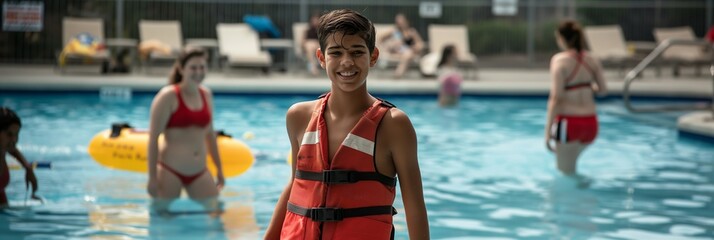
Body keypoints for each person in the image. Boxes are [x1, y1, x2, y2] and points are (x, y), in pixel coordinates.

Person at [264, 9, 430, 240]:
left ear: (373, 57)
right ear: (321, 58)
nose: (347, 62)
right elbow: (296, 184)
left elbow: (415, 207)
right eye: (336, 52)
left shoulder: (393, 125)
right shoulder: (299, 116)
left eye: (357, 52)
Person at [147, 48, 224, 214]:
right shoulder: (168, 96)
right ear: (181, 69)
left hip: (199, 171)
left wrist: (219, 169)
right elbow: (153, 139)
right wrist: (152, 178)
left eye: (202, 67)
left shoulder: (206, 95)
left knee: (217, 214)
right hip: (170, 171)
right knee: (163, 222)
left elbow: (210, 135)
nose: (198, 72)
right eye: (193, 67)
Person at [544, 20, 607, 181]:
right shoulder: (592, 59)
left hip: (569, 124)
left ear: (561, 39)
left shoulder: (559, 61)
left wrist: (547, 133)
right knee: (573, 167)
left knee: (565, 173)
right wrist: (585, 88)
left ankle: (579, 201)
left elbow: (556, 98)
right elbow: (603, 90)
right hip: (591, 124)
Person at [0, 107, 39, 208]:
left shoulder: (3, 148)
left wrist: (27, 167)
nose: (14, 140)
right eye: (9, 134)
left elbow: (12, 149)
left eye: (16, 134)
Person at [380, 13, 425, 79]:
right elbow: (380, 39)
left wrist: (415, 47)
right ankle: (398, 74)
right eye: (398, 22)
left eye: (401, 21)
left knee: (408, 53)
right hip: (396, 52)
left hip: (408, 52)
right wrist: (388, 45)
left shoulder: (411, 32)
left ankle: (398, 74)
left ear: (406, 21)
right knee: (408, 53)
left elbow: (420, 44)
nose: (400, 23)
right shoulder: (393, 31)